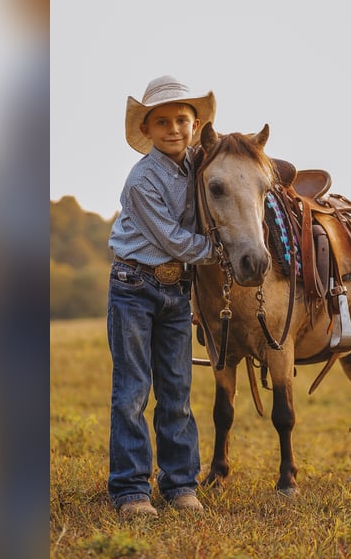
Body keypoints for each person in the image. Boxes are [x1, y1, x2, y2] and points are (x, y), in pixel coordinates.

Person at [106, 75, 216, 517]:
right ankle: (131, 490)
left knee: (177, 391)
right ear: (147, 131)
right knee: (132, 391)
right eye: (163, 121)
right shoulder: (141, 180)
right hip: (134, 287)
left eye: (183, 120)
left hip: (176, 291)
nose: (174, 128)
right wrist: (222, 253)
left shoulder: (199, 164)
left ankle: (180, 485)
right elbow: (175, 240)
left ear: (195, 126)